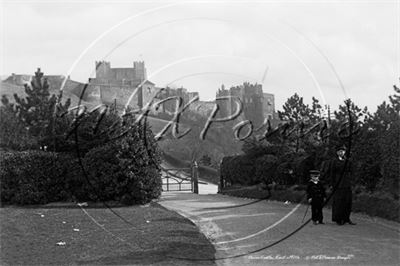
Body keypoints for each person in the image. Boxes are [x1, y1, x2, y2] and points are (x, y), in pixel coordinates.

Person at [322, 145, 356, 225]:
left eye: (343, 151)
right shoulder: (334, 161)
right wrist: (332, 184)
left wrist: (352, 181)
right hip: (338, 183)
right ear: (337, 152)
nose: (342, 152)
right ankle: (338, 219)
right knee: (338, 201)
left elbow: (352, 171)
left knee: (347, 201)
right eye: (340, 151)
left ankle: (346, 218)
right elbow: (331, 173)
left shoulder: (348, 161)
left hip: (346, 183)